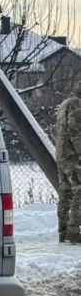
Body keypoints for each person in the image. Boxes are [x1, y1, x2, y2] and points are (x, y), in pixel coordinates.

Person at [55, 82, 81, 243]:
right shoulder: (77, 104)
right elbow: (75, 130)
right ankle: (73, 230)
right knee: (79, 191)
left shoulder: (65, 104)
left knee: (65, 193)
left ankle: (63, 230)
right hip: (73, 156)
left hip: (62, 154)